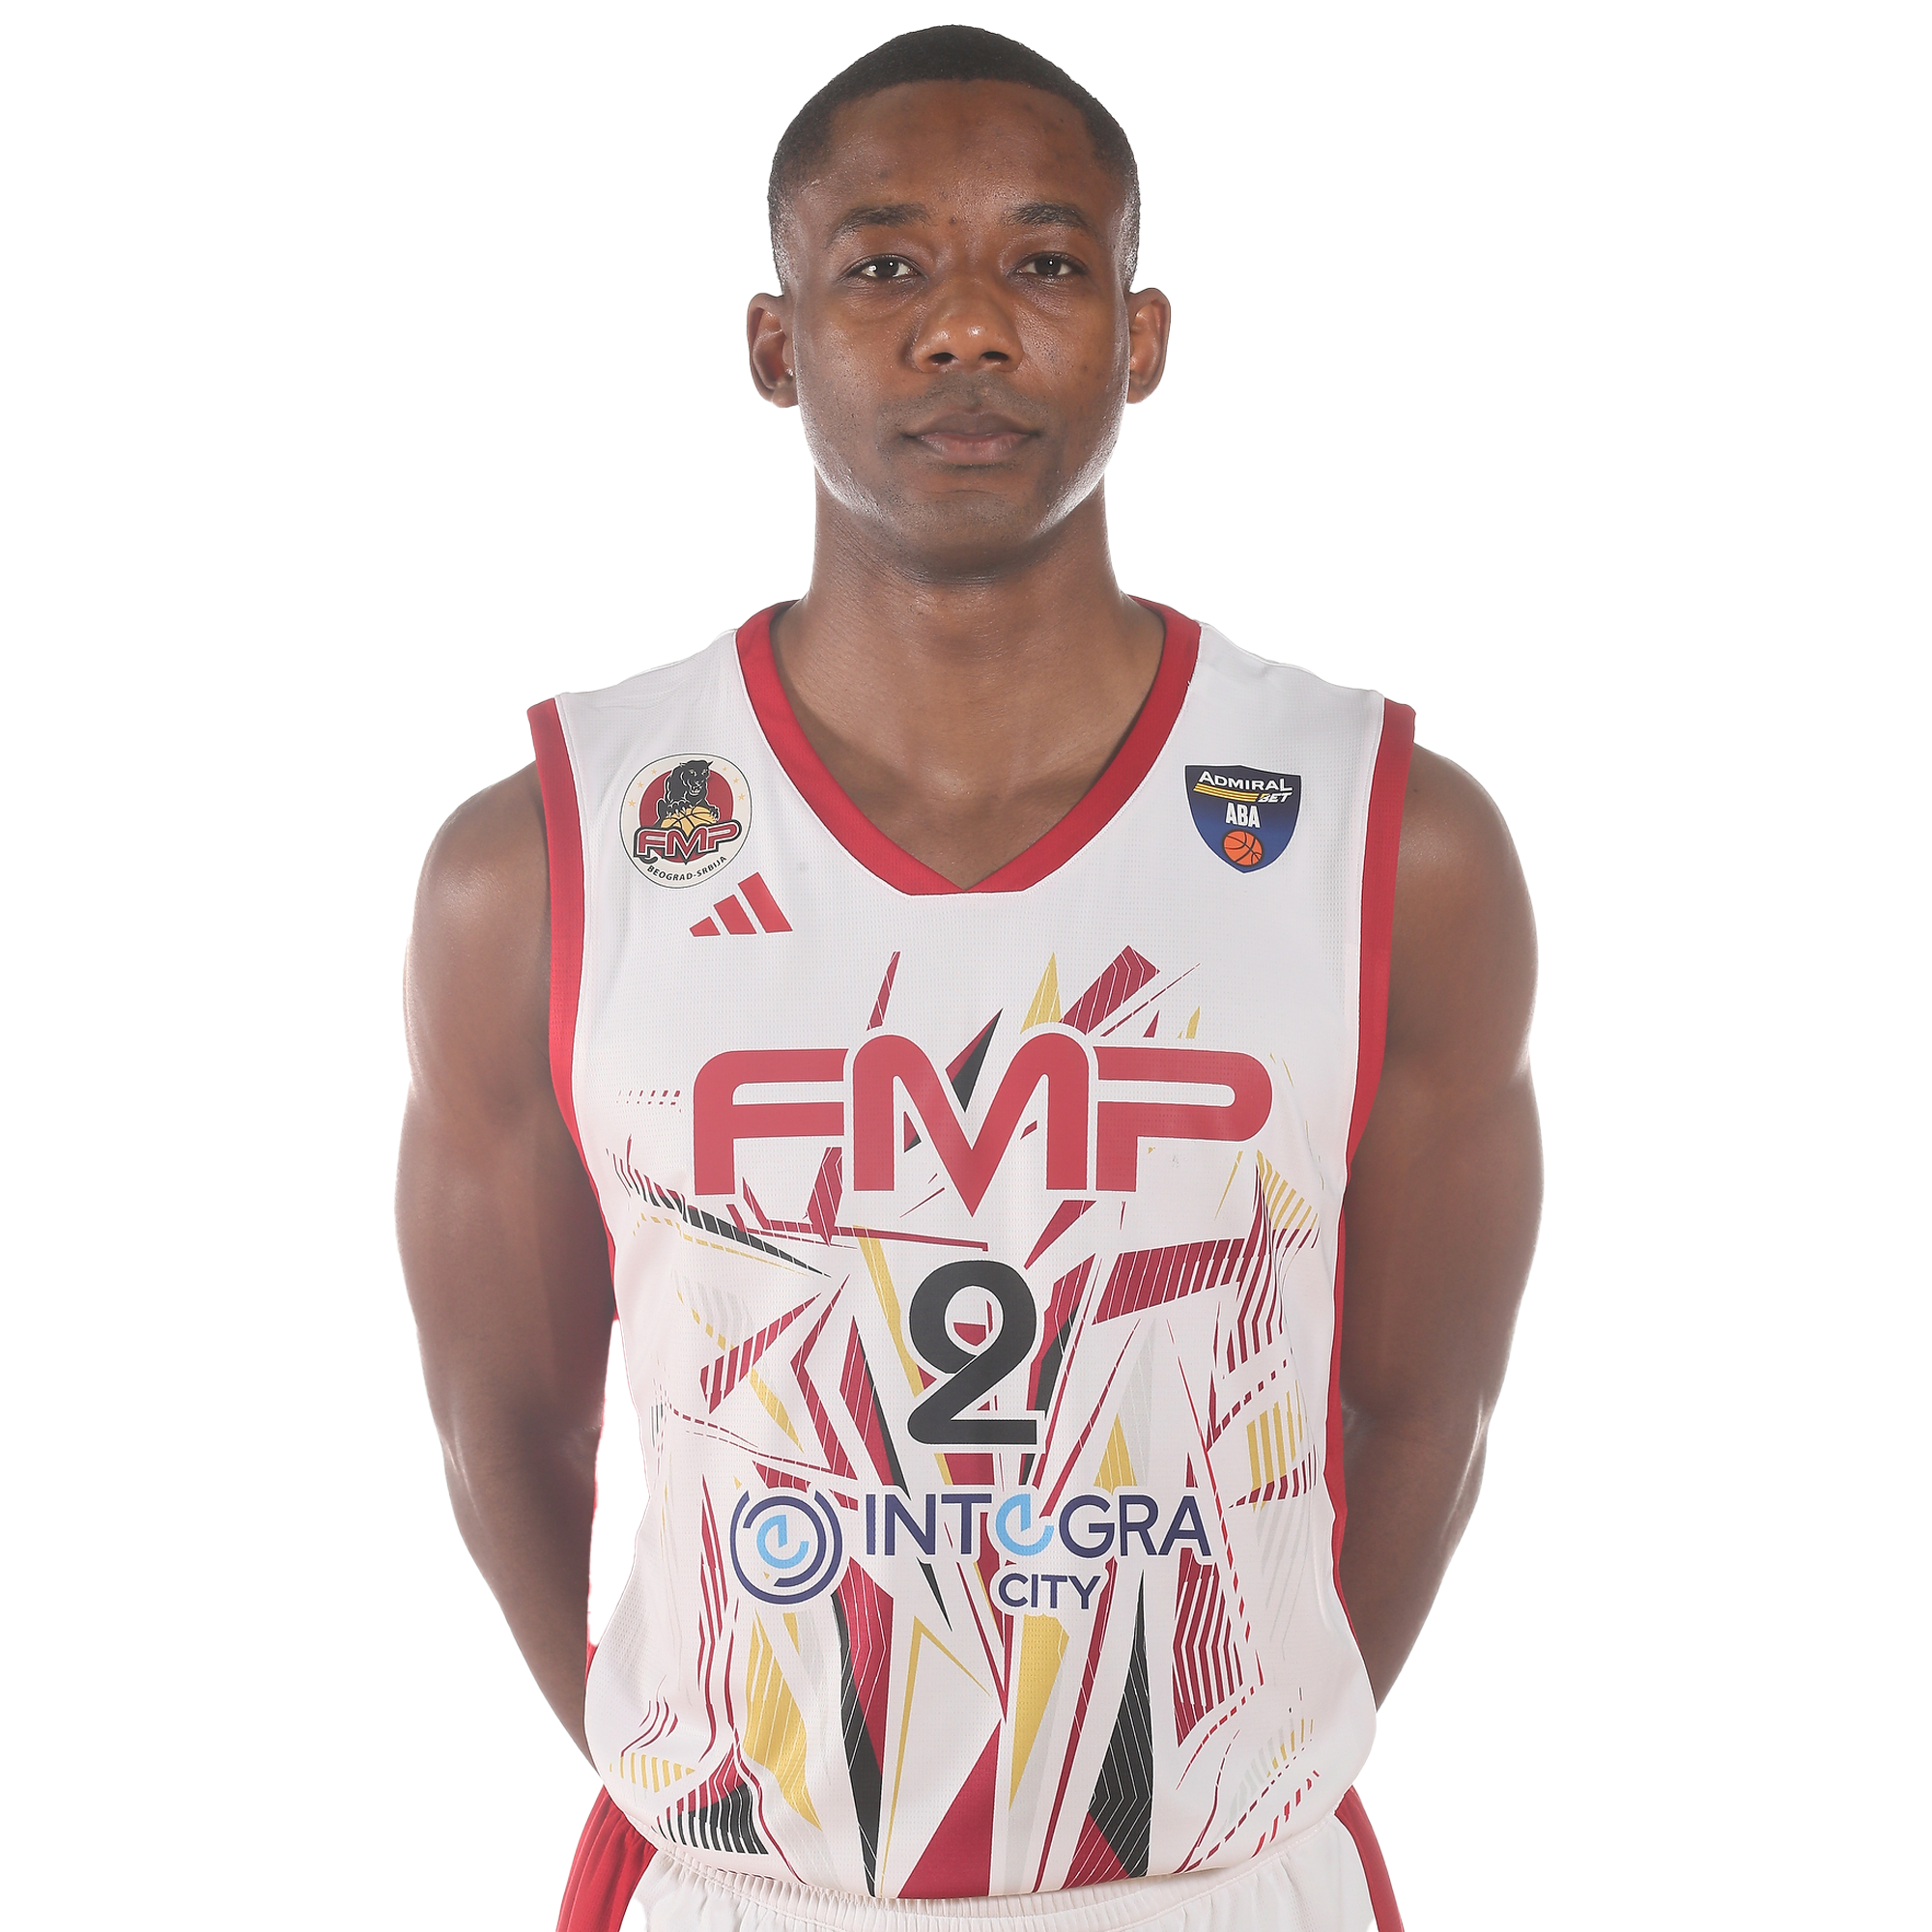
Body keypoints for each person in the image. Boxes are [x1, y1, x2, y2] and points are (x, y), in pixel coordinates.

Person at [397, 25, 1539, 1932]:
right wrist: (714, 1773)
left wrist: (1207, 1777)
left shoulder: (1385, 833)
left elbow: (1430, 1407)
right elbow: (501, 1422)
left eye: (1044, 261)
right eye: (885, 266)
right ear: (776, 343)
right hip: (749, 1882)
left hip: (1218, 1879)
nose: (966, 331)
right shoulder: (540, 856)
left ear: (1139, 336)